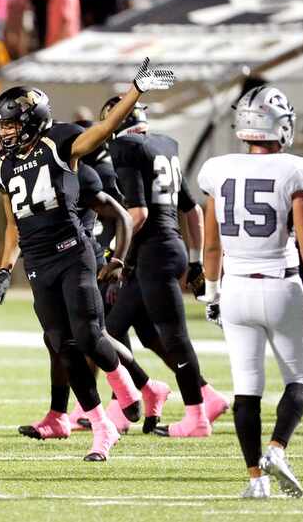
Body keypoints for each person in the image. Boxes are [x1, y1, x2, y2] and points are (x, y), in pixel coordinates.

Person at [0, 57, 175, 460]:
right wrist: (5, 268)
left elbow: (104, 128)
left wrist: (136, 89)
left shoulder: (61, 145)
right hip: (38, 264)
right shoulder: (2, 165)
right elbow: (12, 223)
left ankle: (126, 385)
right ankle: (101, 426)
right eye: (1, 125)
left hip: (74, 253)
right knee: (61, 344)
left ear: (33, 121)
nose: (4, 133)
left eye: (11, 124)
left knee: (89, 335)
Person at [197, 86, 303, 499]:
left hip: (235, 289)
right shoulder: (295, 168)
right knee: (301, 379)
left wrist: (213, 291)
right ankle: (276, 448)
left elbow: (211, 245)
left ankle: (256, 479)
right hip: (281, 285)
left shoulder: (217, 169)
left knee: (247, 388)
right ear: (281, 126)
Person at [102, 95, 228, 437]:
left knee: (170, 337)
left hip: (152, 253)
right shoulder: (163, 145)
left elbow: (139, 214)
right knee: (125, 330)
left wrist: (116, 252)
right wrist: (195, 259)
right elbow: (193, 210)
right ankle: (194, 395)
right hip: (167, 250)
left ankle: (194, 415)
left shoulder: (125, 148)